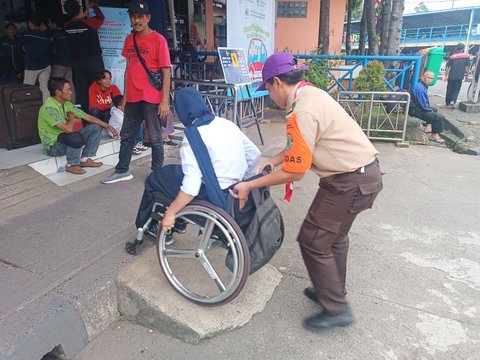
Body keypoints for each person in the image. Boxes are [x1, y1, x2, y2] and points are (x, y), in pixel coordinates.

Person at [229, 52, 383, 331]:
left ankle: (336, 309)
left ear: (277, 83)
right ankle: (332, 291)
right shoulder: (309, 94)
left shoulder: (302, 110)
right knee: (334, 238)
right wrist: (272, 160)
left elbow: (296, 171)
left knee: (313, 239)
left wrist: (250, 184)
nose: (268, 97)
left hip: (348, 182)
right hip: (362, 175)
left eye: (267, 90)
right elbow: (298, 147)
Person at [135, 87, 260, 240]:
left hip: (211, 193)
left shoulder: (193, 137)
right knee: (174, 172)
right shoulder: (227, 124)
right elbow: (254, 154)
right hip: (233, 188)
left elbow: (191, 188)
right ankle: (180, 222)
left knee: (155, 178)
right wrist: (244, 180)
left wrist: (171, 213)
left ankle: (147, 225)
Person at [102, 0, 171, 184]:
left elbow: (166, 71)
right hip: (132, 98)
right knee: (127, 136)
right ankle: (122, 170)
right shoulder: (129, 39)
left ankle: (157, 174)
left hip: (151, 98)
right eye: (133, 16)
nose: (137, 20)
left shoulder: (159, 40)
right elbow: (128, 69)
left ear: (148, 18)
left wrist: (165, 100)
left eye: (141, 16)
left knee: (155, 137)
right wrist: (124, 96)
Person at [38, 77, 119, 175]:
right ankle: (72, 165)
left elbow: (87, 117)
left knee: (96, 127)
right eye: (67, 90)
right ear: (58, 92)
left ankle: (85, 159)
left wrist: (108, 126)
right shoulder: (49, 108)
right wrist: (71, 116)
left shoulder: (66, 104)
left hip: (66, 138)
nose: (71, 92)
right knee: (75, 137)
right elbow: (69, 129)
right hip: (54, 146)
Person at [64, 0, 105, 110]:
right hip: (94, 62)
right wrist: (94, 6)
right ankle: (99, 116)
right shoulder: (90, 23)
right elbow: (101, 17)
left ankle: (85, 120)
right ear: (81, 10)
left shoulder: (67, 27)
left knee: (82, 93)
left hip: (78, 65)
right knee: (98, 88)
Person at [409, 71, 445, 144]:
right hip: (416, 110)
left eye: (431, 78)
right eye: (428, 77)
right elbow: (423, 105)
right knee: (438, 117)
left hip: (417, 108)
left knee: (434, 110)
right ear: (423, 77)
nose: (430, 80)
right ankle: (434, 135)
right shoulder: (420, 88)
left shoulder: (422, 85)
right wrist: (430, 111)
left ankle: (428, 127)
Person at [23, 13, 51, 101]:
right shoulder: (46, 38)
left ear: (30, 24)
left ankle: (29, 107)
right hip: (45, 66)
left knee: (27, 89)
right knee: (44, 87)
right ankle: (47, 107)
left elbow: (20, 47)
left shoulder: (26, 36)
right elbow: (51, 51)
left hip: (32, 67)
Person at [48, 15, 75, 103]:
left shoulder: (55, 34)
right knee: (69, 84)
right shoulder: (67, 33)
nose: (49, 25)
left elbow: (53, 49)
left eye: (50, 23)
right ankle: (72, 103)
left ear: (54, 23)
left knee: (55, 84)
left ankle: (55, 104)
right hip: (69, 63)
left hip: (59, 62)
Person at [444, 43, 470, 109]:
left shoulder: (452, 57)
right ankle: (452, 101)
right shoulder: (466, 57)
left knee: (449, 89)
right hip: (459, 77)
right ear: (463, 49)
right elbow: (466, 67)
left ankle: (447, 102)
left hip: (451, 76)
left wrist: (446, 76)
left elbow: (448, 68)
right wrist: (467, 75)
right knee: (456, 89)